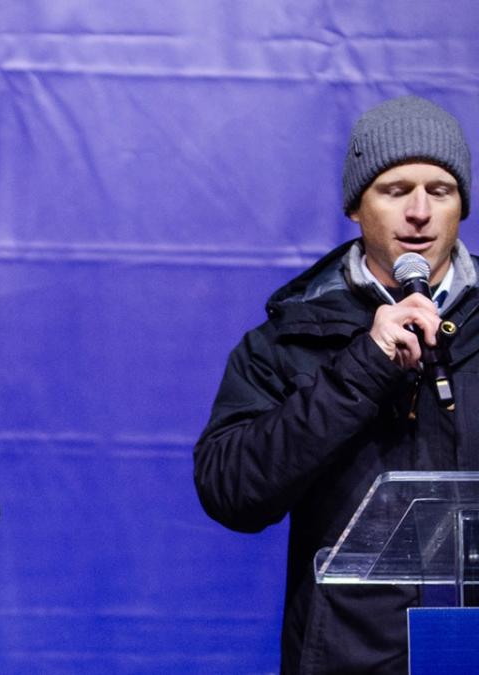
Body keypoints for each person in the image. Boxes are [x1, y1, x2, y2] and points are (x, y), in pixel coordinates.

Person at [194, 95, 474, 674]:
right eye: (395, 191)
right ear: (355, 206)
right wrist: (365, 364)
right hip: (346, 656)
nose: (419, 211)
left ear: (461, 207)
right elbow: (231, 490)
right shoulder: (290, 336)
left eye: (439, 190)